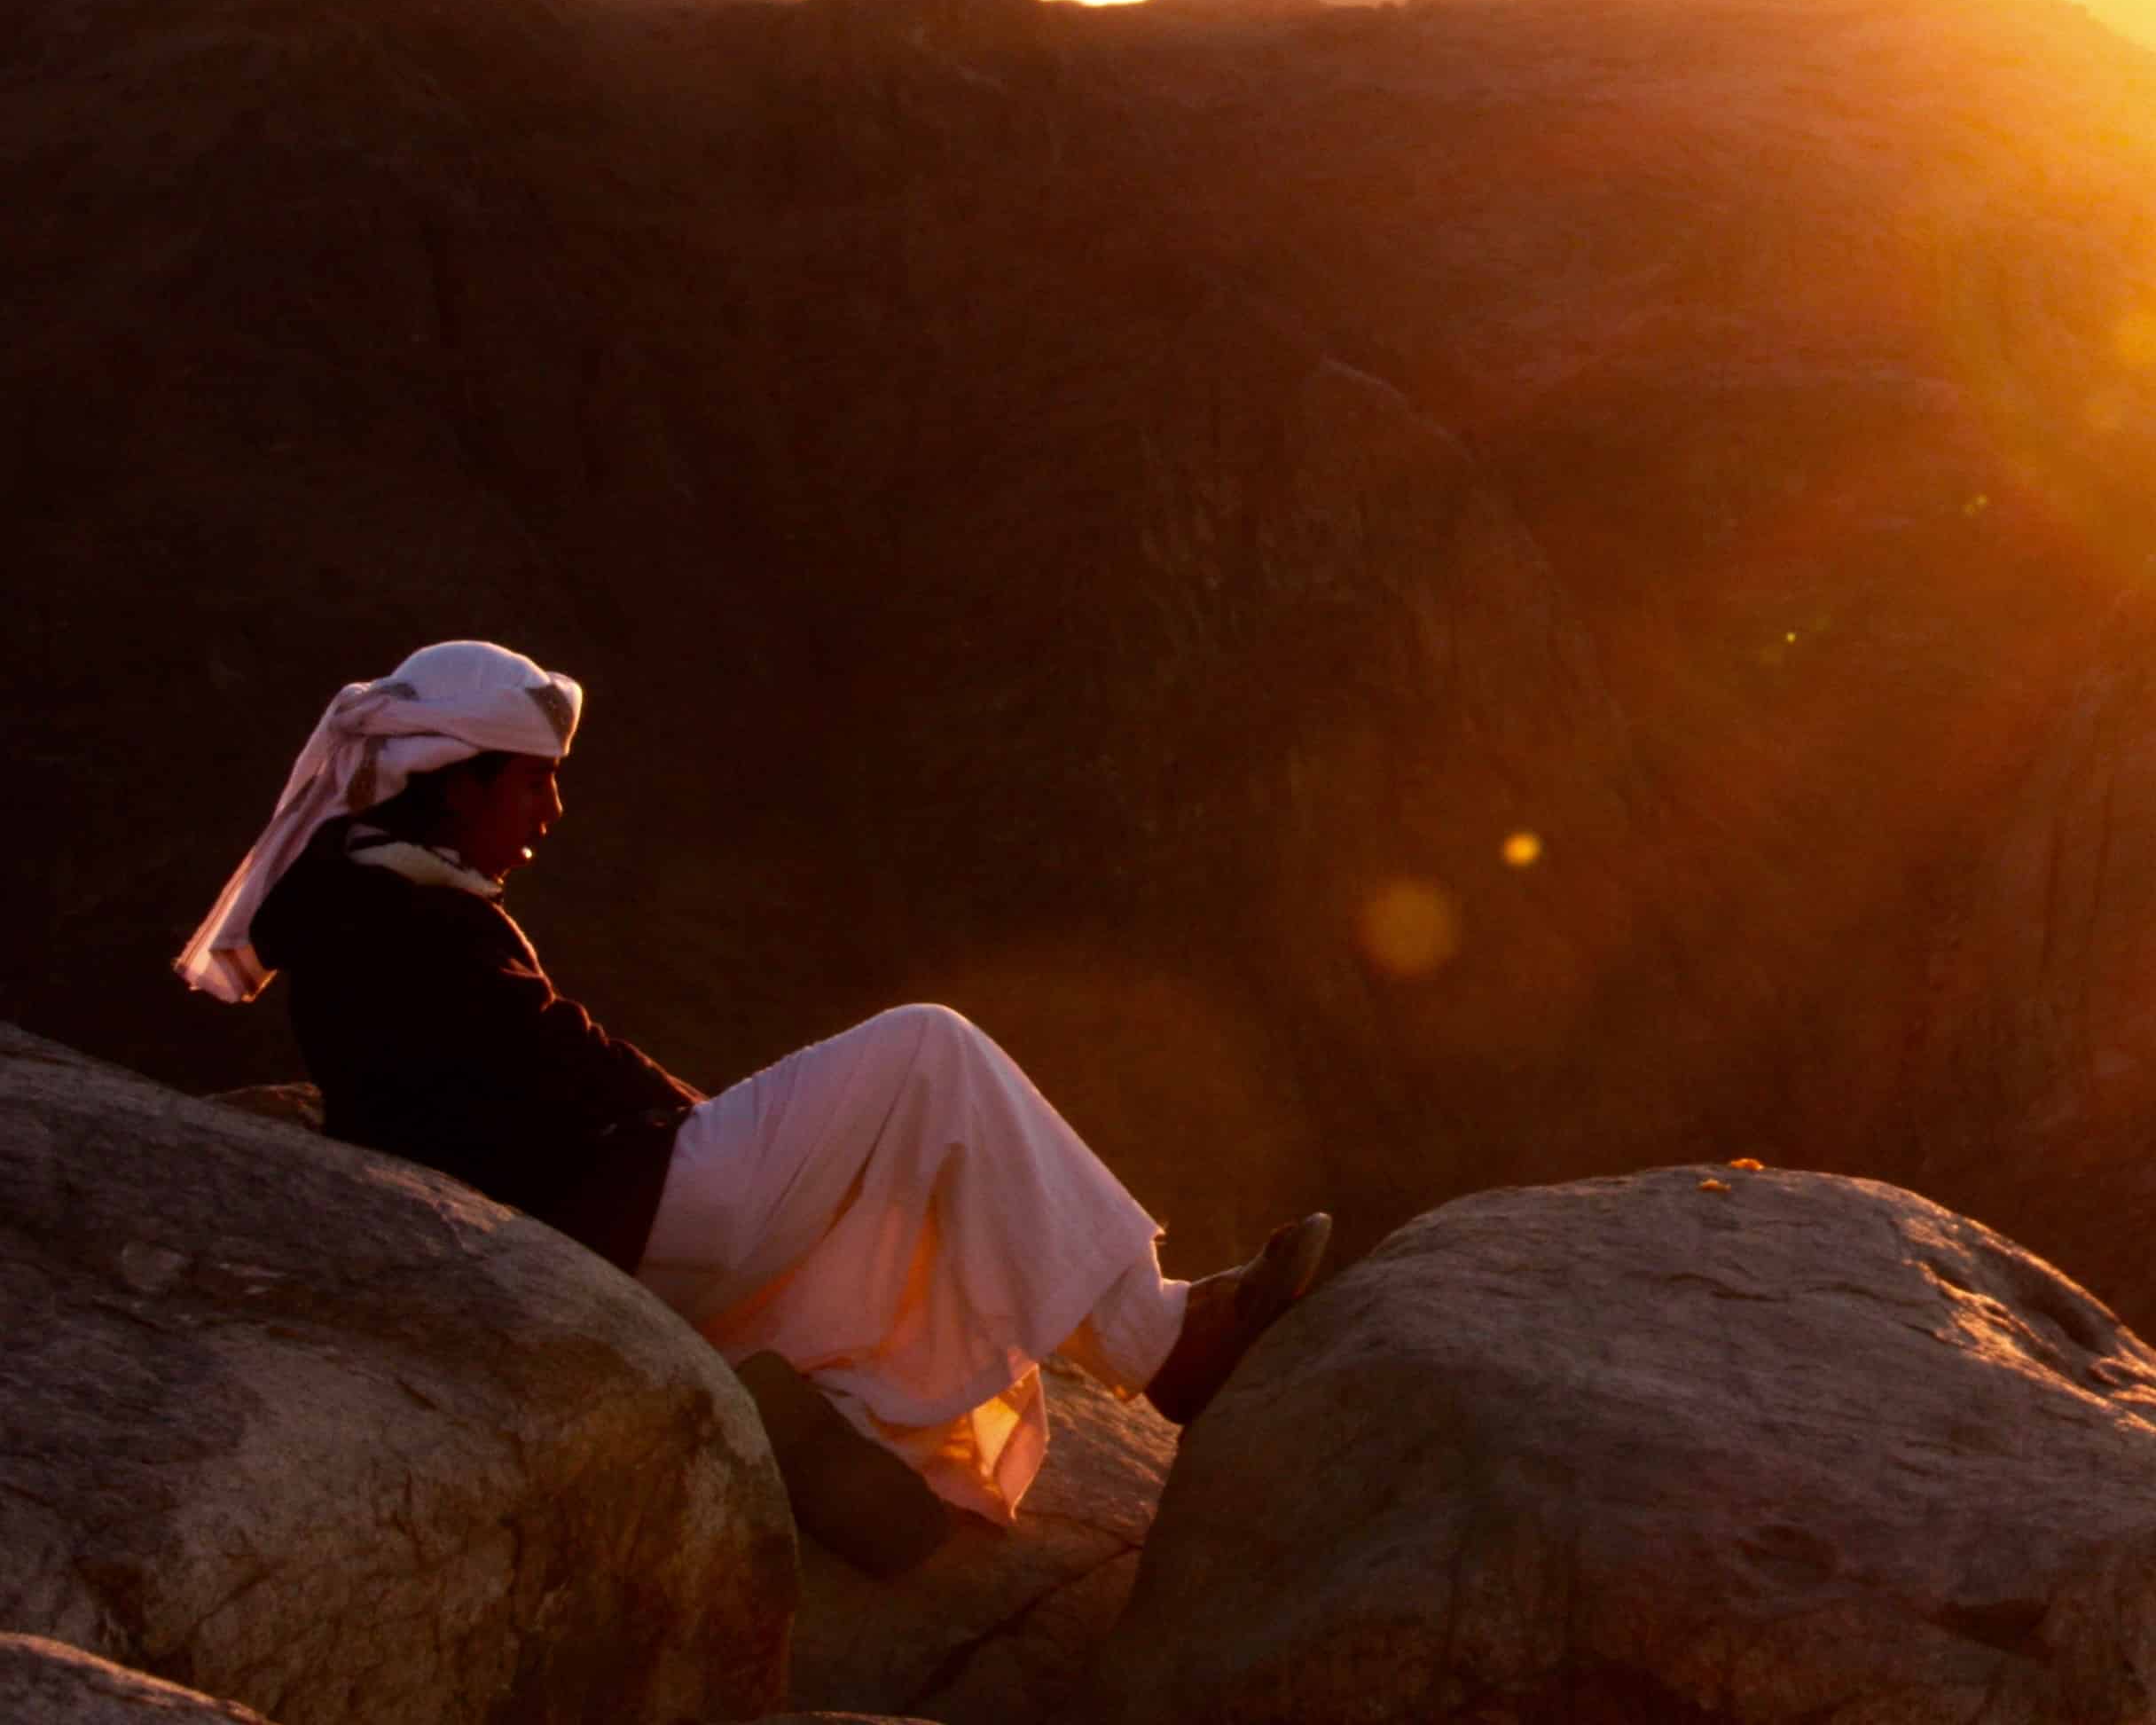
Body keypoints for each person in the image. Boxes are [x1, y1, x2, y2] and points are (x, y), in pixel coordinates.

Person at [175, 639, 1325, 1534]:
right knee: (928, 1051)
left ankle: (897, 1472)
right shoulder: (399, 919)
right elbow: (550, 1066)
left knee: (881, 1167)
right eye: (533, 783)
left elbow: (504, 1071)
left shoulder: (366, 904)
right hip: (606, 1218)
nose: (551, 812)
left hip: (581, 1231)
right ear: (454, 781)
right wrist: (706, 1120)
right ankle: (1163, 1344)